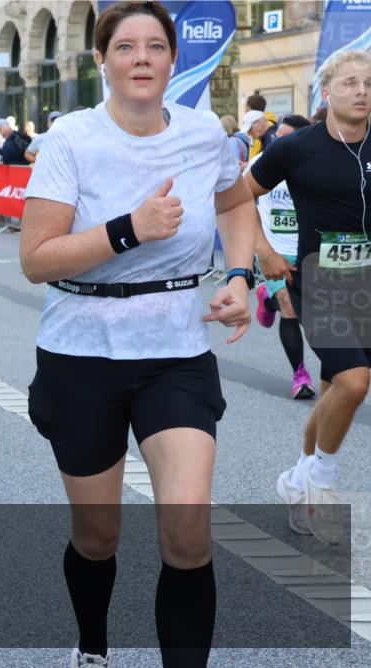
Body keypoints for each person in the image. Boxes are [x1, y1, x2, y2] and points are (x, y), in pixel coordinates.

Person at [19, 3, 255, 666]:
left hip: (175, 354)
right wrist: (128, 229)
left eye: (156, 46)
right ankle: (92, 645)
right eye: (126, 47)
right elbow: (36, 258)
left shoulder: (207, 133)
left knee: (187, 533)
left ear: (173, 60)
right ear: (102, 61)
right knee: (97, 537)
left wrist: (238, 275)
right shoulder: (73, 137)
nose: (142, 58)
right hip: (80, 354)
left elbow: (236, 203)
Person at [245, 49, 371, 545]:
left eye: (369, 83)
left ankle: (298, 478)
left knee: (336, 390)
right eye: (351, 83)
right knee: (356, 382)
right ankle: (321, 485)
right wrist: (263, 252)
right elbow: (235, 195)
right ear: (327, 92)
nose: (362, 91)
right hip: (316, 280)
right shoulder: (296, 148)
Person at [249, 114, 316, 400]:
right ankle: (300, 375)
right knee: (289, 308)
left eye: (287, 137)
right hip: (274, 250)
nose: (279, 142)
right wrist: (260, 247)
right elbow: (241, 201)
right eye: (277, 137)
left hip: (308, 250)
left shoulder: (316, 165)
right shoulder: (260, 163)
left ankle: (267, 297)